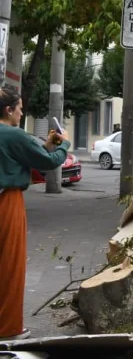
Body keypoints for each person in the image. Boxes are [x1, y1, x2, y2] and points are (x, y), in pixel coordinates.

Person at [0, 88, 70, 341]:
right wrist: (64, 144)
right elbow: (47, 162)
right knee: (10, 264)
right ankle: (7, 328)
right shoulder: (13, 134)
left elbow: (27, 156)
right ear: (9, 110)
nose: (21, 112)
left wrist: (48, 145)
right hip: (7, 201)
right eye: (19, 108)